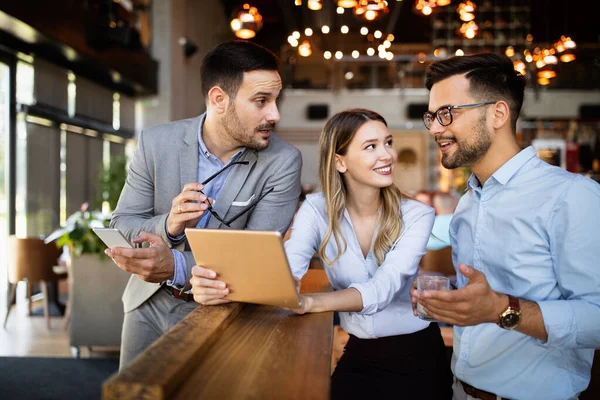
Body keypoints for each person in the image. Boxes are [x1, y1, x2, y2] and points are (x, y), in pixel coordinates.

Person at [191, 108, 453, 399]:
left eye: (388, 142)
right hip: (359, 354)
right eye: (371, 147)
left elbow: (383, 290)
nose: (387, 155)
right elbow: (288, 269)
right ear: (340, 162)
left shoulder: (417, 214)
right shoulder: (317, 209)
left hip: (418, 357)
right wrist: (221, 288)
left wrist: (310, 302)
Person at [412, 53, 600, 400]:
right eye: (432, 117)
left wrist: (503, 309)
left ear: (498, 113)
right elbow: (484, 295)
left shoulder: (571, 196)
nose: (435, 128)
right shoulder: (469, 202)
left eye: (447, 113)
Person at [107, 40, 302, 369]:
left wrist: (176, 265)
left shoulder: (283, 162)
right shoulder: (156, 143)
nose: (275, 114)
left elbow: (256, 260)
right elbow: (122, 224)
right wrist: (168, 225)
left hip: (227, 311)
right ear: (218, 99)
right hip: (147, 306)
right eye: (261, 101)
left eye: (275, 100)